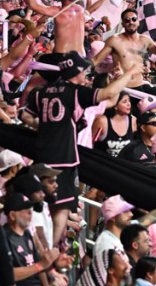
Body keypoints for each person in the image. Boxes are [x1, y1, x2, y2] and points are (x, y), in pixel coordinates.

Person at [25, 51, 139, 245]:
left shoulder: (41, 91)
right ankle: (50, 251)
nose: (86, 74)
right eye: (84, 71)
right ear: (76, 71)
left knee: (42, 206)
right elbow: (109, 94)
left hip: (41, 155)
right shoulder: (76, 92)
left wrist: (46, 127)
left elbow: (24, 116)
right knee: (61, 208)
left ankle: (47, 248)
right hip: (64, 158)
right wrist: (130, 73)